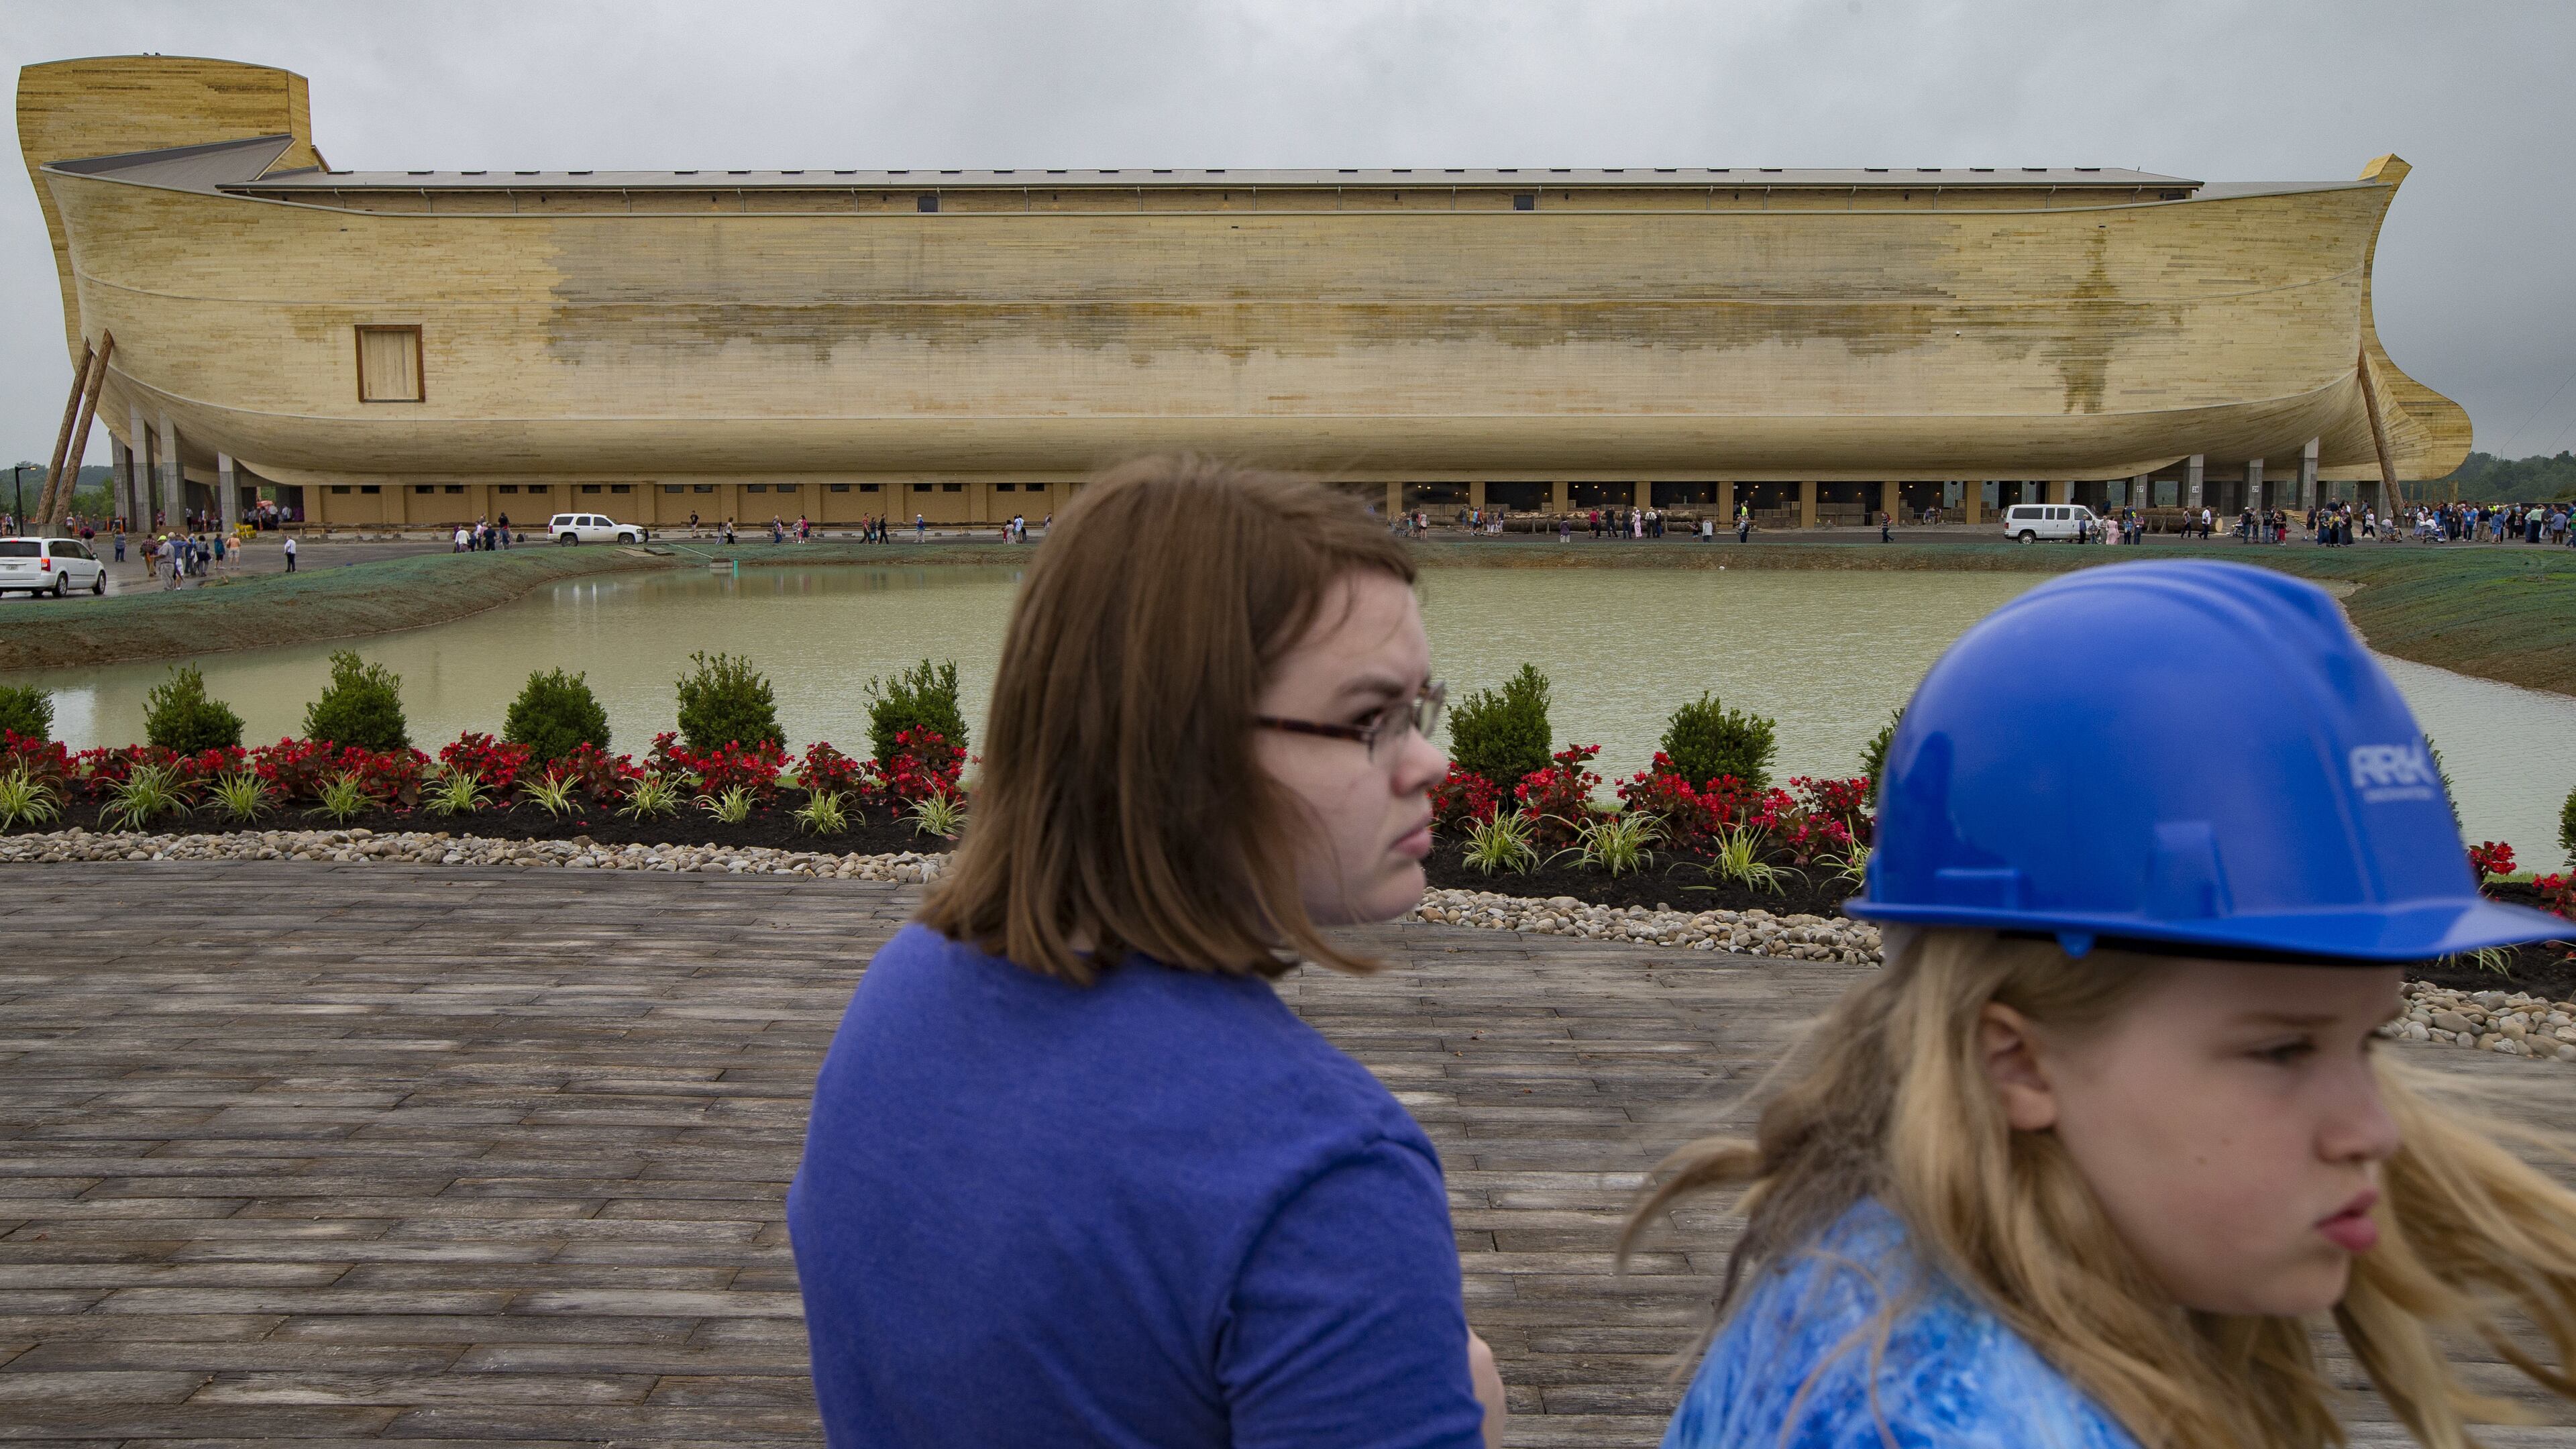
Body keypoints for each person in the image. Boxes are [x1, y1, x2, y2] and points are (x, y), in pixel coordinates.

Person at [1633, 560, 2576, 1449]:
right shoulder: (1928, 1423)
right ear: (2016, 1061)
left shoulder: (1892, 1270)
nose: (2372, 1132)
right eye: (2284, 1051)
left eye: (2369, 1042)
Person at [791, 458, 1502, 1448]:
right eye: (1370, 720)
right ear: (1182, 744)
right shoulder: (1323, 1176)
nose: (1430, 760)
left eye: (1418, 711)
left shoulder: (905, 985)